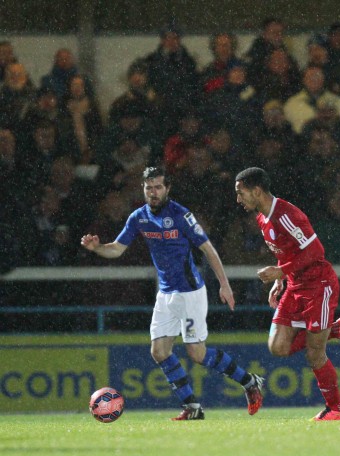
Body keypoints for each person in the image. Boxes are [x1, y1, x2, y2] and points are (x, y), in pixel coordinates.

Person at [80, 166, 264, 421]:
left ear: (167, 189)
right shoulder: (138, 217)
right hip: (165, 294)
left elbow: (208, 249)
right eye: (148, 188)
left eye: (157, 187)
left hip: (189, 293)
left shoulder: (180, 215)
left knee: (197, 354)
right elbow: (116, 250)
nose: (153, 192)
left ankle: (249, 381)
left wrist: (224, 284)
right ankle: (192, 407)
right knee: (159, 351)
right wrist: (97, 247)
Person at [233, 167, 340, 421]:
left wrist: (280, 272)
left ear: (257, 191)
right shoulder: (262, 217)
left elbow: (315, 251)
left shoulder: (286, 214)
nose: (239, 199)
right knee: (277, 347)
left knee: (315, 352)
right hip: (295, 285)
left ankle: (336, 409)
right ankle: (336, 329)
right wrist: (281, 281)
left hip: (319, 284)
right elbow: (287, 252)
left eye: (241, 193)